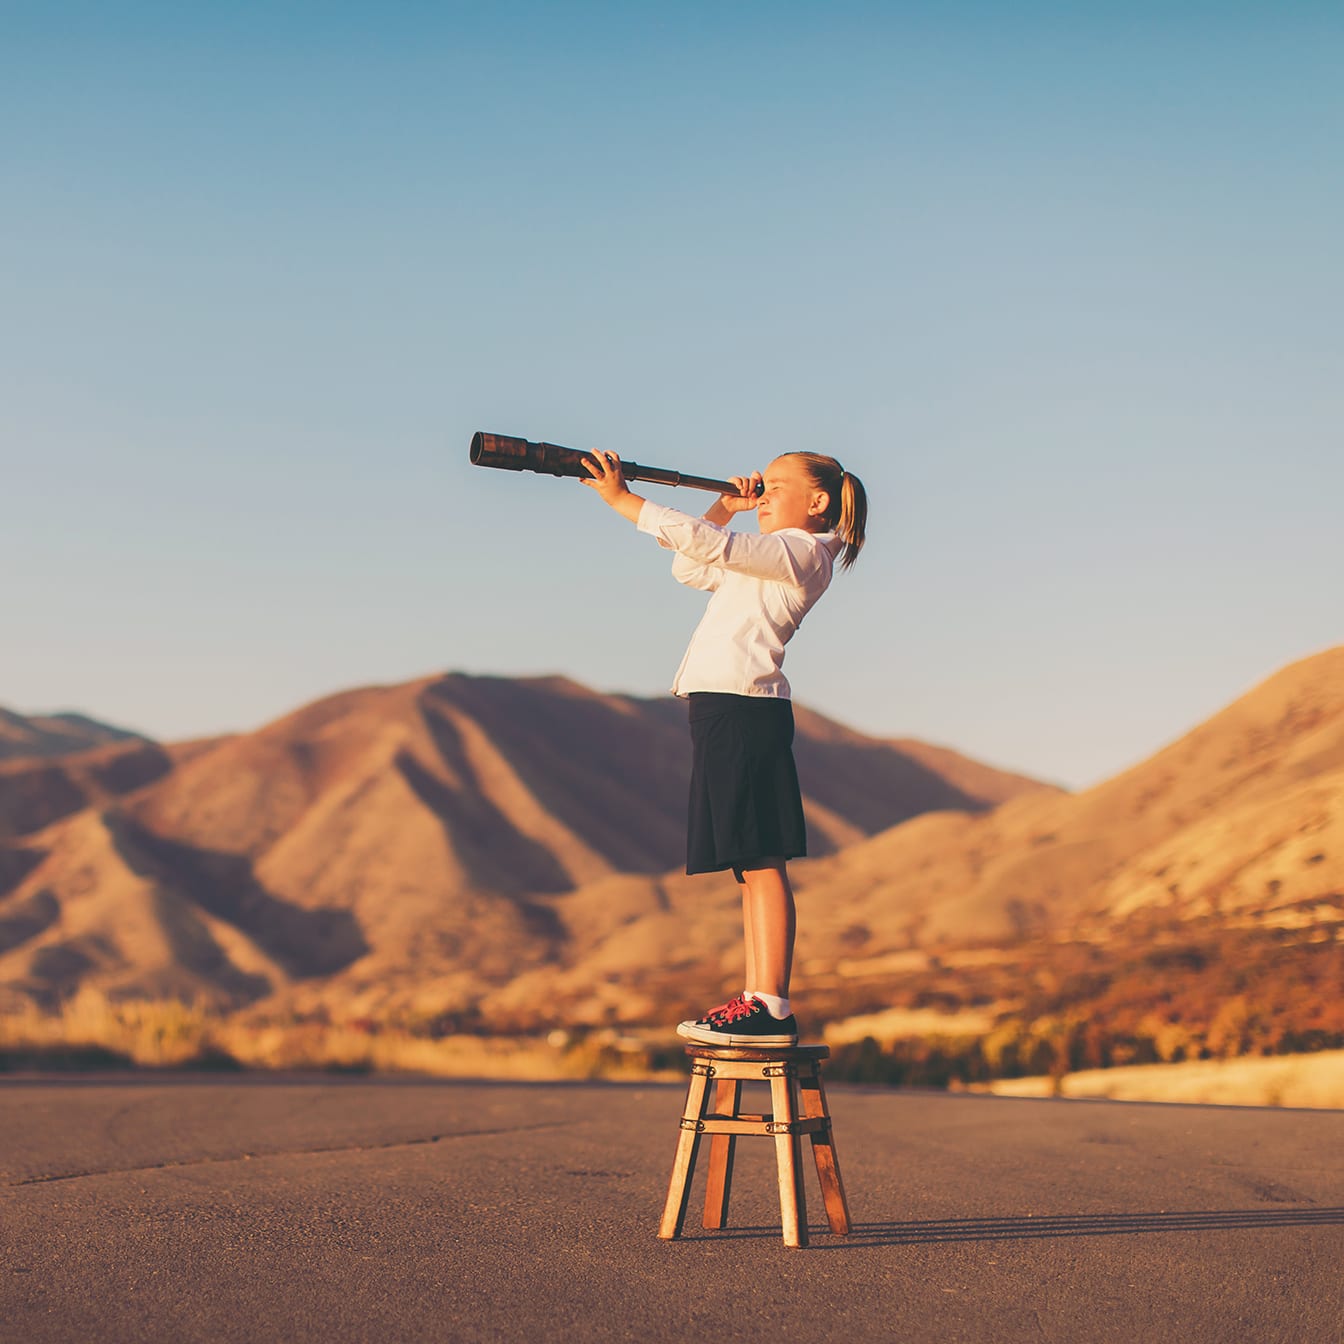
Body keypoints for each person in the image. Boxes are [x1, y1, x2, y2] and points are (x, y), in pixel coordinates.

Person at [581, 447, 868, 1046]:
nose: (759, 494)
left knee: (762, 858)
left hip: (746, 709)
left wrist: (622, 500)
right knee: (748, 861)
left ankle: (771, 1002)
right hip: (724, 707)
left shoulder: (803, 551)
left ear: (817, 502)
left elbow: (713, 548)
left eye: (773, 486)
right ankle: (758, 995)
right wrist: (723, 506)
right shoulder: (771, 557)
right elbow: (691, 566)